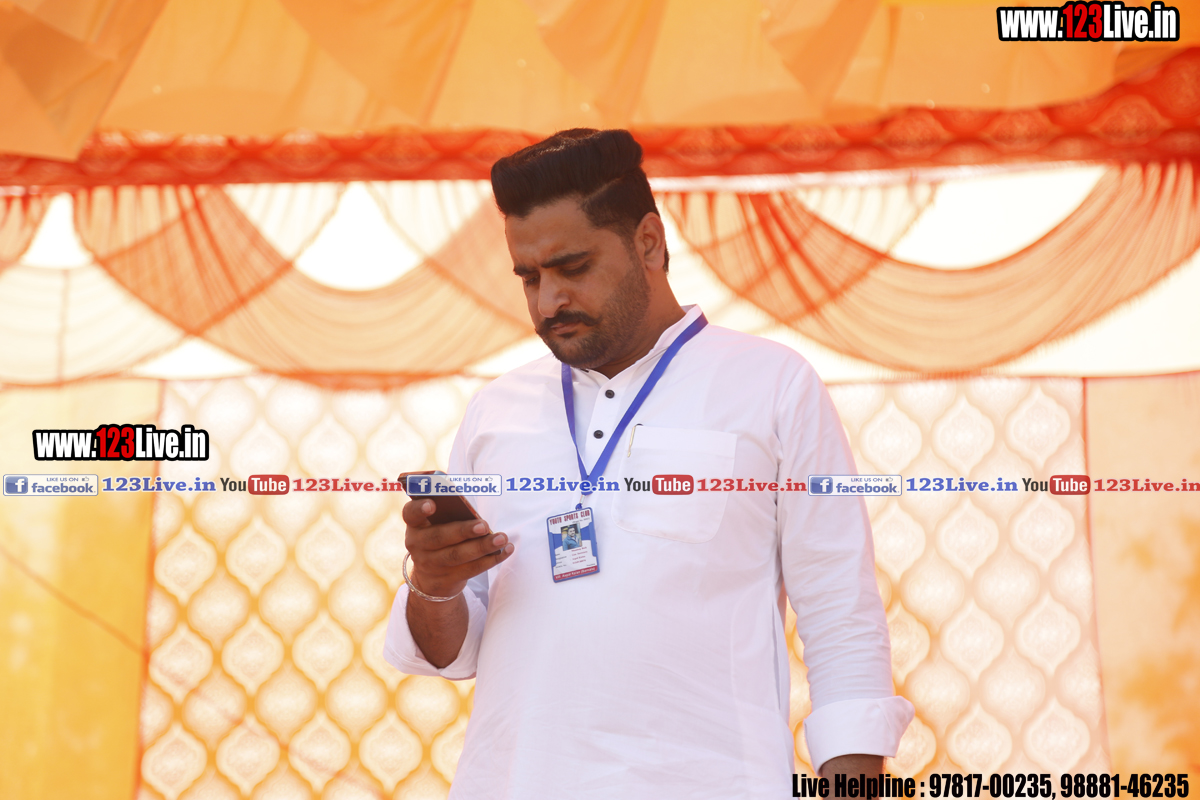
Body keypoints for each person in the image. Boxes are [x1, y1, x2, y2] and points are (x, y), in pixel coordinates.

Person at [384, 128, 913, 799]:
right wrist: (434, 585)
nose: (548, 303)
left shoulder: (771, 385)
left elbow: (841, 616)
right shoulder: (496, 412)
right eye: (530, 277)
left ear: (649, 243)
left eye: (573, 268)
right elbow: (450, 652)